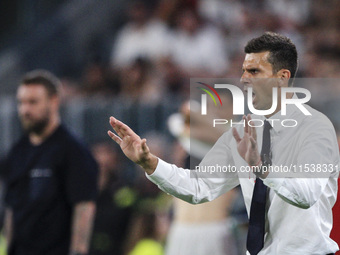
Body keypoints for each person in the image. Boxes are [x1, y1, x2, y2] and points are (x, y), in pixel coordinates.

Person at [108, 32, 339, 254]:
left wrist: (262, 168)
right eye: (244, 71)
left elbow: (307, 195)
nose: (244, 79)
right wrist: (150, 163)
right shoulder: (243, 133)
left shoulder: (316, 128)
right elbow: (199, 187)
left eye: (254, 71)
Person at [0, 70, 98, 255]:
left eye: (33, 102)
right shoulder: (17, 152)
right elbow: (12, 210)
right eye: (21, 102)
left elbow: (84, 206)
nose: (25, 110)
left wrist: (78, 251)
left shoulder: (73, 151)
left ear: (54, 102)